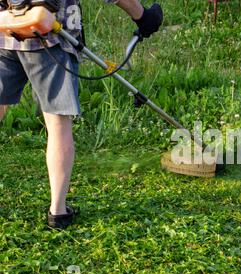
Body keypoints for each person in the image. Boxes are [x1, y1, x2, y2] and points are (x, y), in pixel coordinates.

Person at [0, 0, 163, 229]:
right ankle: (58, 212)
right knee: (57, 123)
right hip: (52, 38)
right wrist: (142, 16)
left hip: (5, 32)